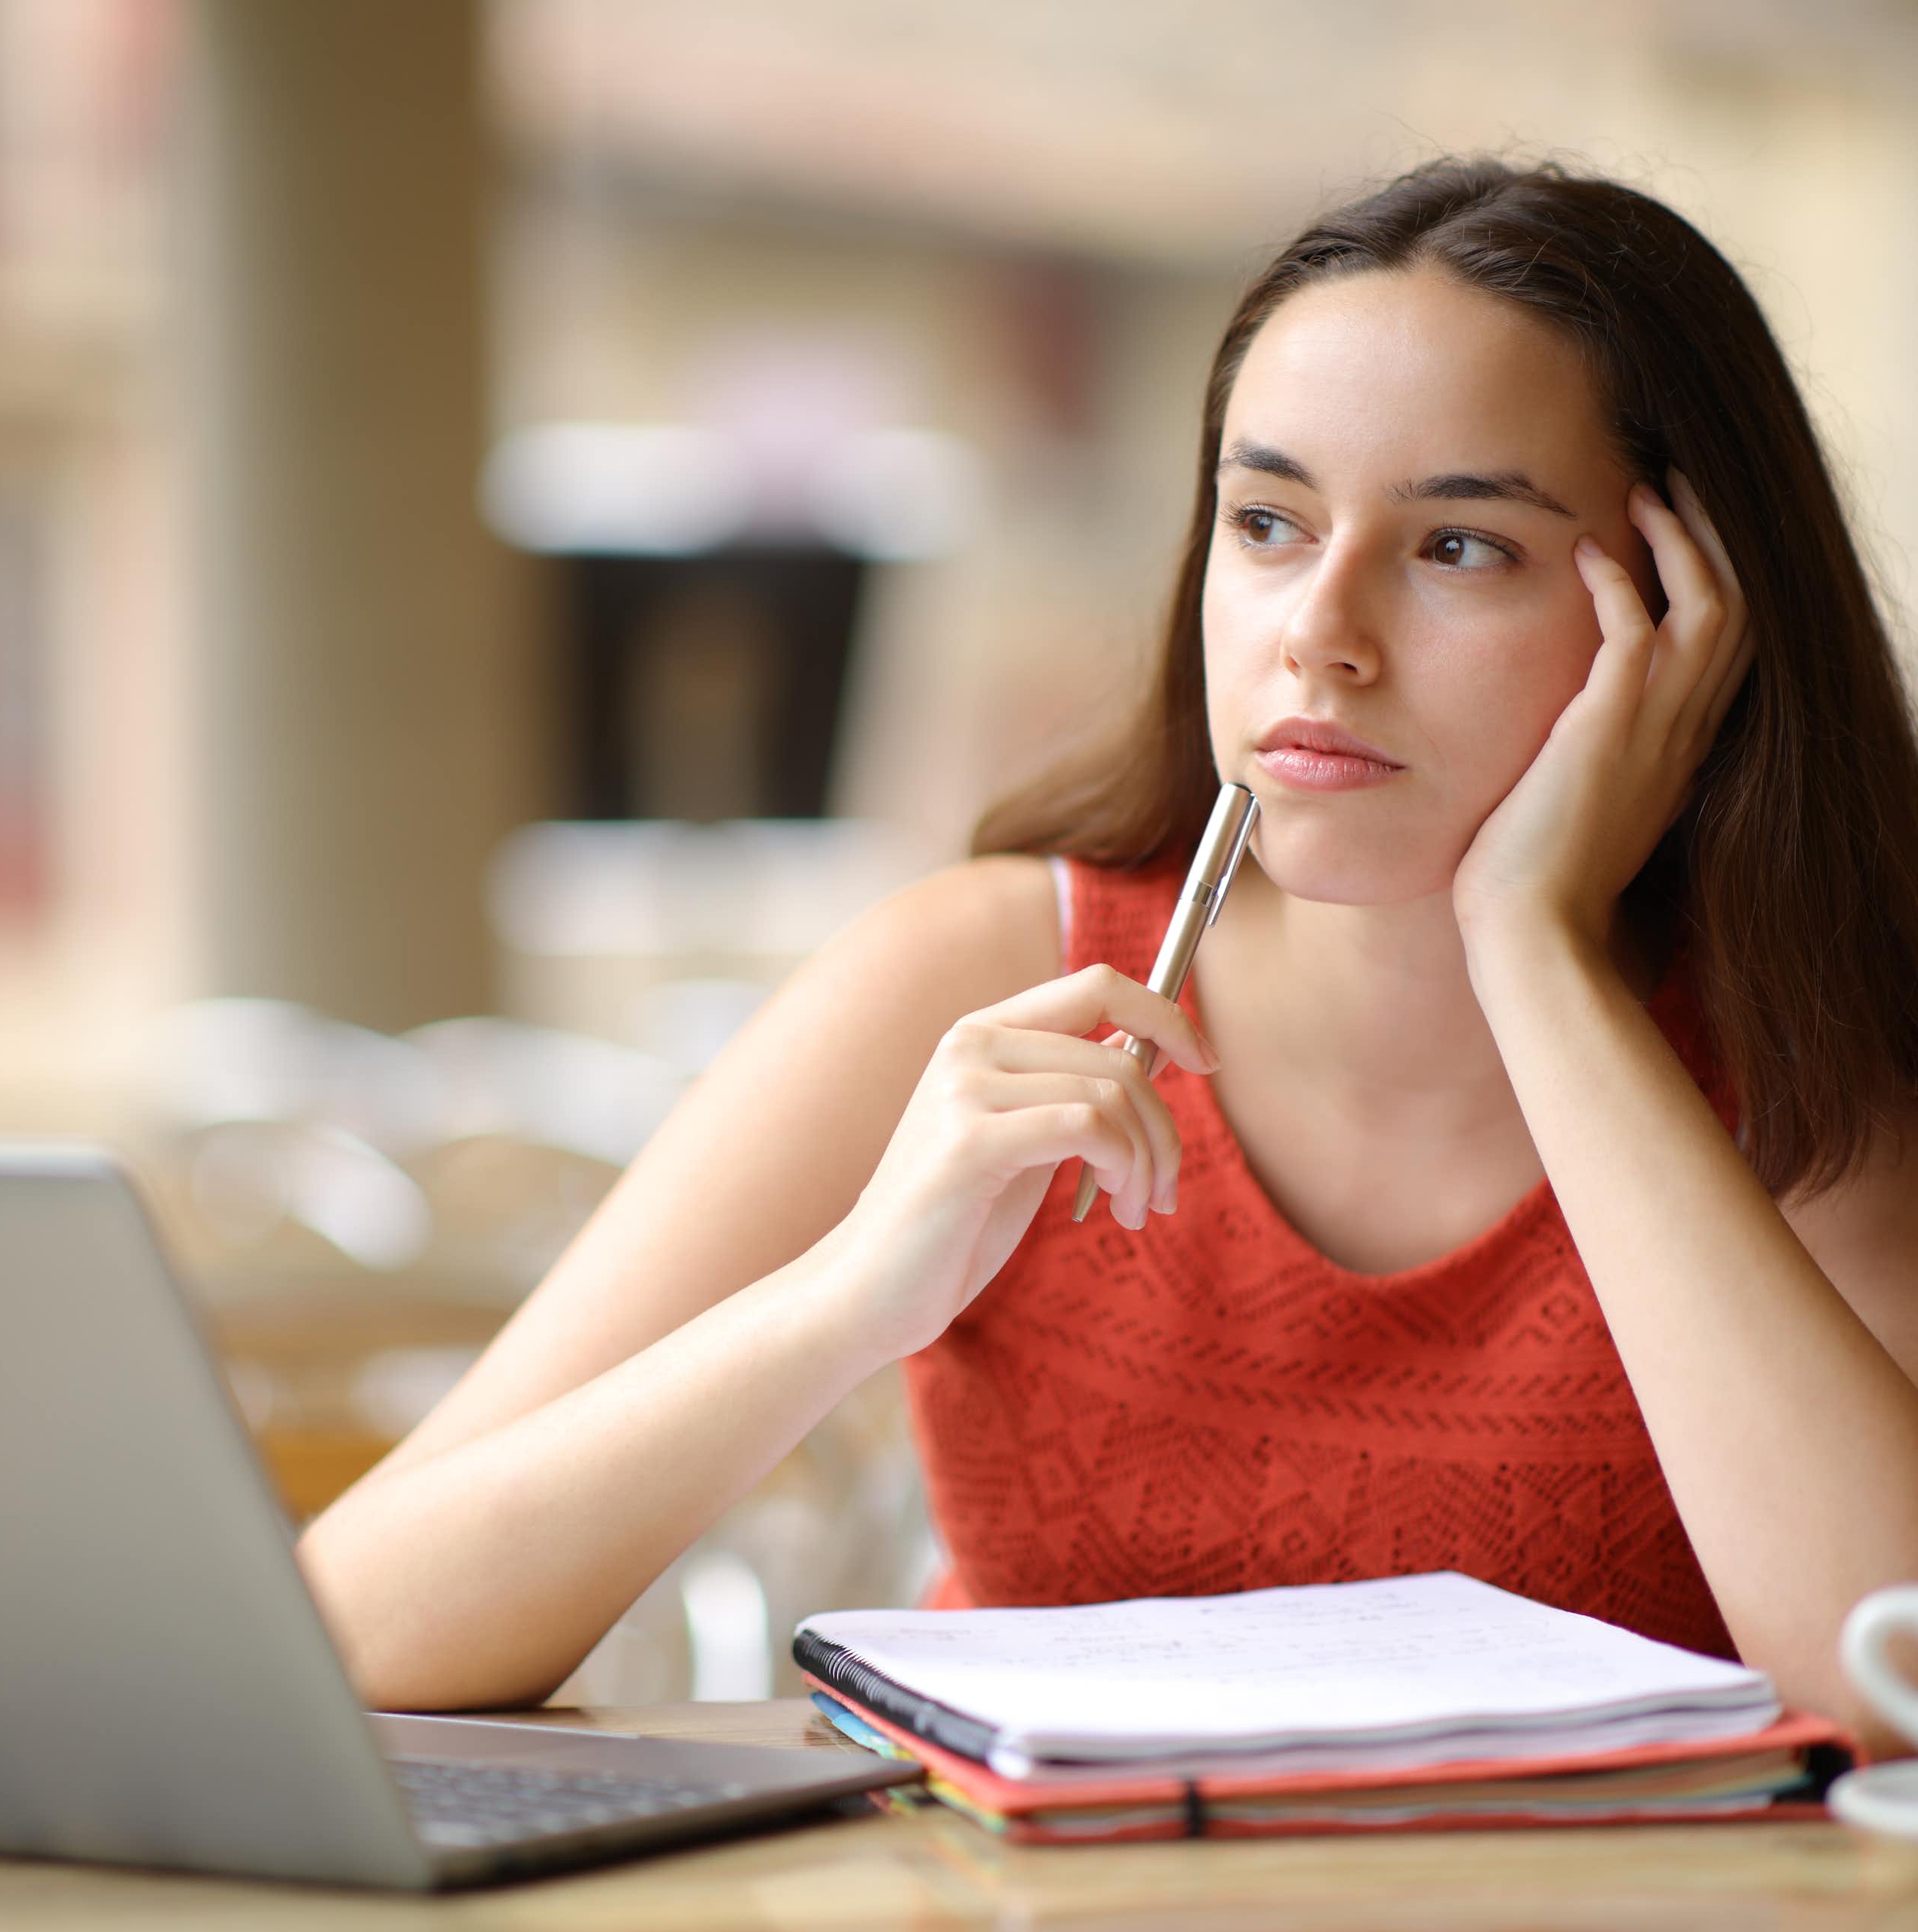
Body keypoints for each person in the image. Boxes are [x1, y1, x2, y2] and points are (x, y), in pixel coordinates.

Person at [298, 156, 1918, 1755]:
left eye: (1457, 547)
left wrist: (1538, 956)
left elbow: (1889, 1681)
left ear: (1688, 613)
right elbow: (355, 1632)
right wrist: (851, 1301)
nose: (1319, 633)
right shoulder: (981, 974)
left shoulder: (1810, 1047)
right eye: (1268, 522)